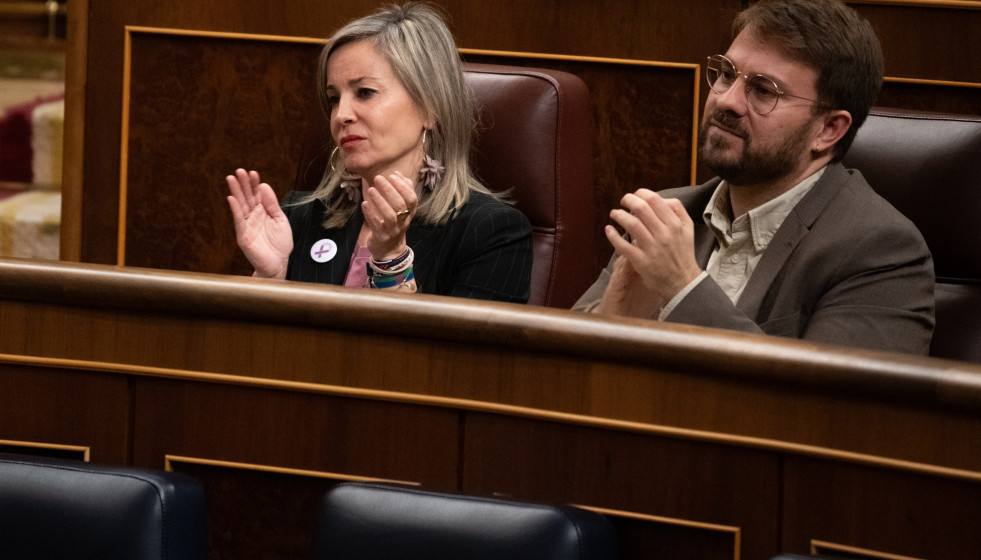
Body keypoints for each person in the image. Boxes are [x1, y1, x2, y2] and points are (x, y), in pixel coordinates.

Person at [573, 0, 935, 354]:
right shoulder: (669, 215)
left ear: (828, 129)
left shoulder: (881, 251)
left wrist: (683, 287)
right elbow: (560, 365)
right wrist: (612, 317)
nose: (726, 101)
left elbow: (827, 395)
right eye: (727, 74)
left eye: (763, 90)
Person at [226, 2, 533, 303]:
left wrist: (392, 259)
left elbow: (453, 341)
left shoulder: (492, 233)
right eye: (334, 99)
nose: (341, 115)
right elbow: (263, 337)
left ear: (430, 107)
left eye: (365, 93)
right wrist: (271, 277)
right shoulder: (299, 218)